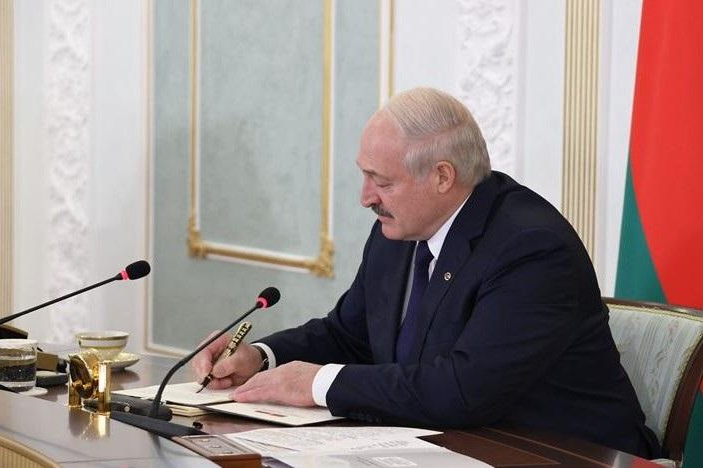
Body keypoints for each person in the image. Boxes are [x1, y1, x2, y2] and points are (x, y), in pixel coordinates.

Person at [192, 87, 661, 458]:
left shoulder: (530, 248)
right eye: (365, 175)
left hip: (563, 453)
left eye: (381, 181)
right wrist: (262, 356)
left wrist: (317, 384)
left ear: (442, 176)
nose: (365, 197)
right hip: (452, 447)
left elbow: (464, 390)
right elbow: (349, 335)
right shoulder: (398, 230)